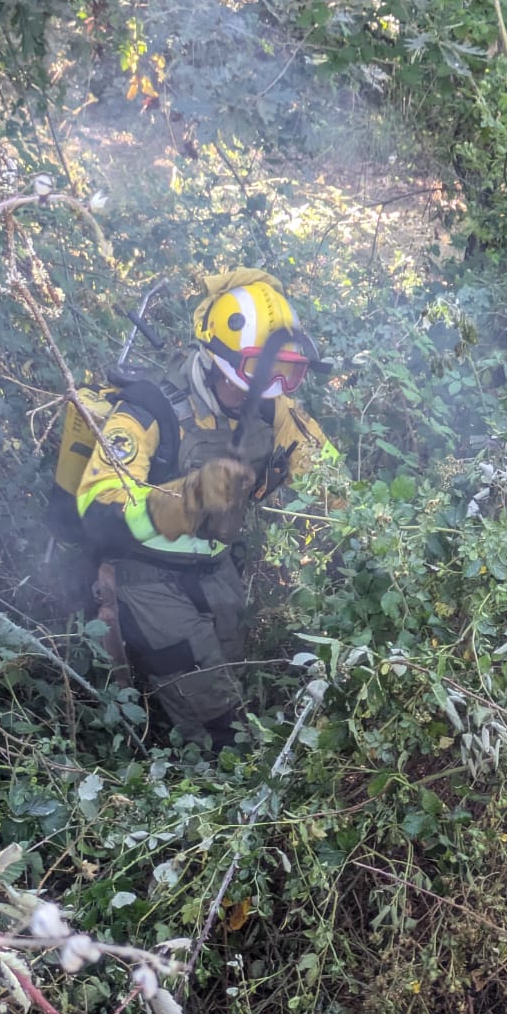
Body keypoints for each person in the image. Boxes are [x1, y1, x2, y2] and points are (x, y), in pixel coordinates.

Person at [75, 269, 335, 750]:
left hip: (216, 574)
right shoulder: (149, 410)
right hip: (145, 579)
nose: (274, 386)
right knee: (224, 728)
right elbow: (97, 511)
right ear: (217, 359)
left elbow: (327, 477)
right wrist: (188, 498)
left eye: (288, 374)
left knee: (235, 687)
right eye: (262, 371)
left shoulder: (270, 406)